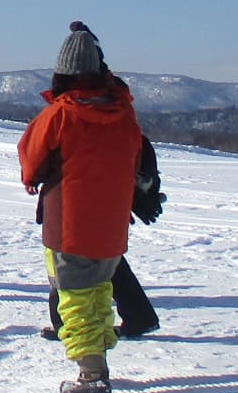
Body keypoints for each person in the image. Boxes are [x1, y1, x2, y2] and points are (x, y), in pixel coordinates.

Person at [18, 22, 145, 393]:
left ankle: (92, 374)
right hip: (112, 225)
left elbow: (31, 160)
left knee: (74, 298)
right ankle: (100, 357)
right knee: (99, 292)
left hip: (69, 222)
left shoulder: (59, 115)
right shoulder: (124, 114)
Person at [42, 128, 164, 340]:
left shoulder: (65, 112)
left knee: (62, 252)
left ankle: (65, 322)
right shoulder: (118, 111)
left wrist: (33, 179)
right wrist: (137, 195)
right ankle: (138, 315)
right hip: (109, 197)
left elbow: (35, 157)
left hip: (71, 196)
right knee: (105, 253)